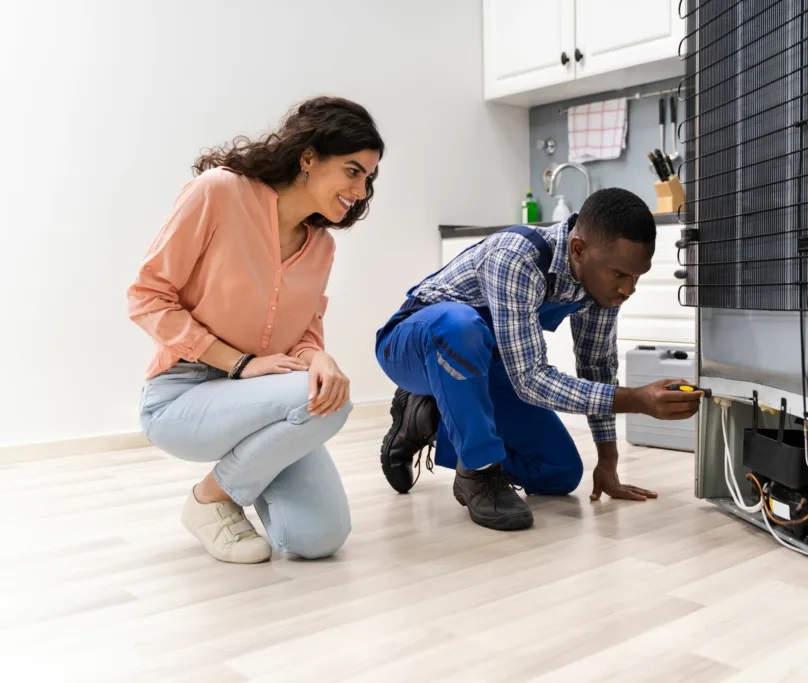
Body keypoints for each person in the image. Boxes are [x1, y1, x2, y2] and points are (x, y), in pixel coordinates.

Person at [127, 96, 384, 563]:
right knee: (329, 401)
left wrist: (318, 356)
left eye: (368, 177)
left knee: (318, 539)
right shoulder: (218, 192)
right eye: (352, 171)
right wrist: (239, 363)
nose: (361, 191)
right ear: (309, 158)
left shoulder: (321, 246)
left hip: (264, 398)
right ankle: (212, 499)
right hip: (181, 396)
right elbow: (147, 297)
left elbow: (304, 333)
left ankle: (239, 481)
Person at [373, 188, 703, 531]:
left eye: (636, 277)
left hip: (486, 369)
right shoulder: (516, 257)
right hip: (411, 347)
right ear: (578, 249)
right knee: (460, 327)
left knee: (559, 472)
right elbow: (530, 380)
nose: (628, 289)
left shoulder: (599, 288)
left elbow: (597, 367)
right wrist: (636, 400)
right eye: (620, 274)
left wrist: (608, 460)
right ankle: (479, 473)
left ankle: (426, 418)